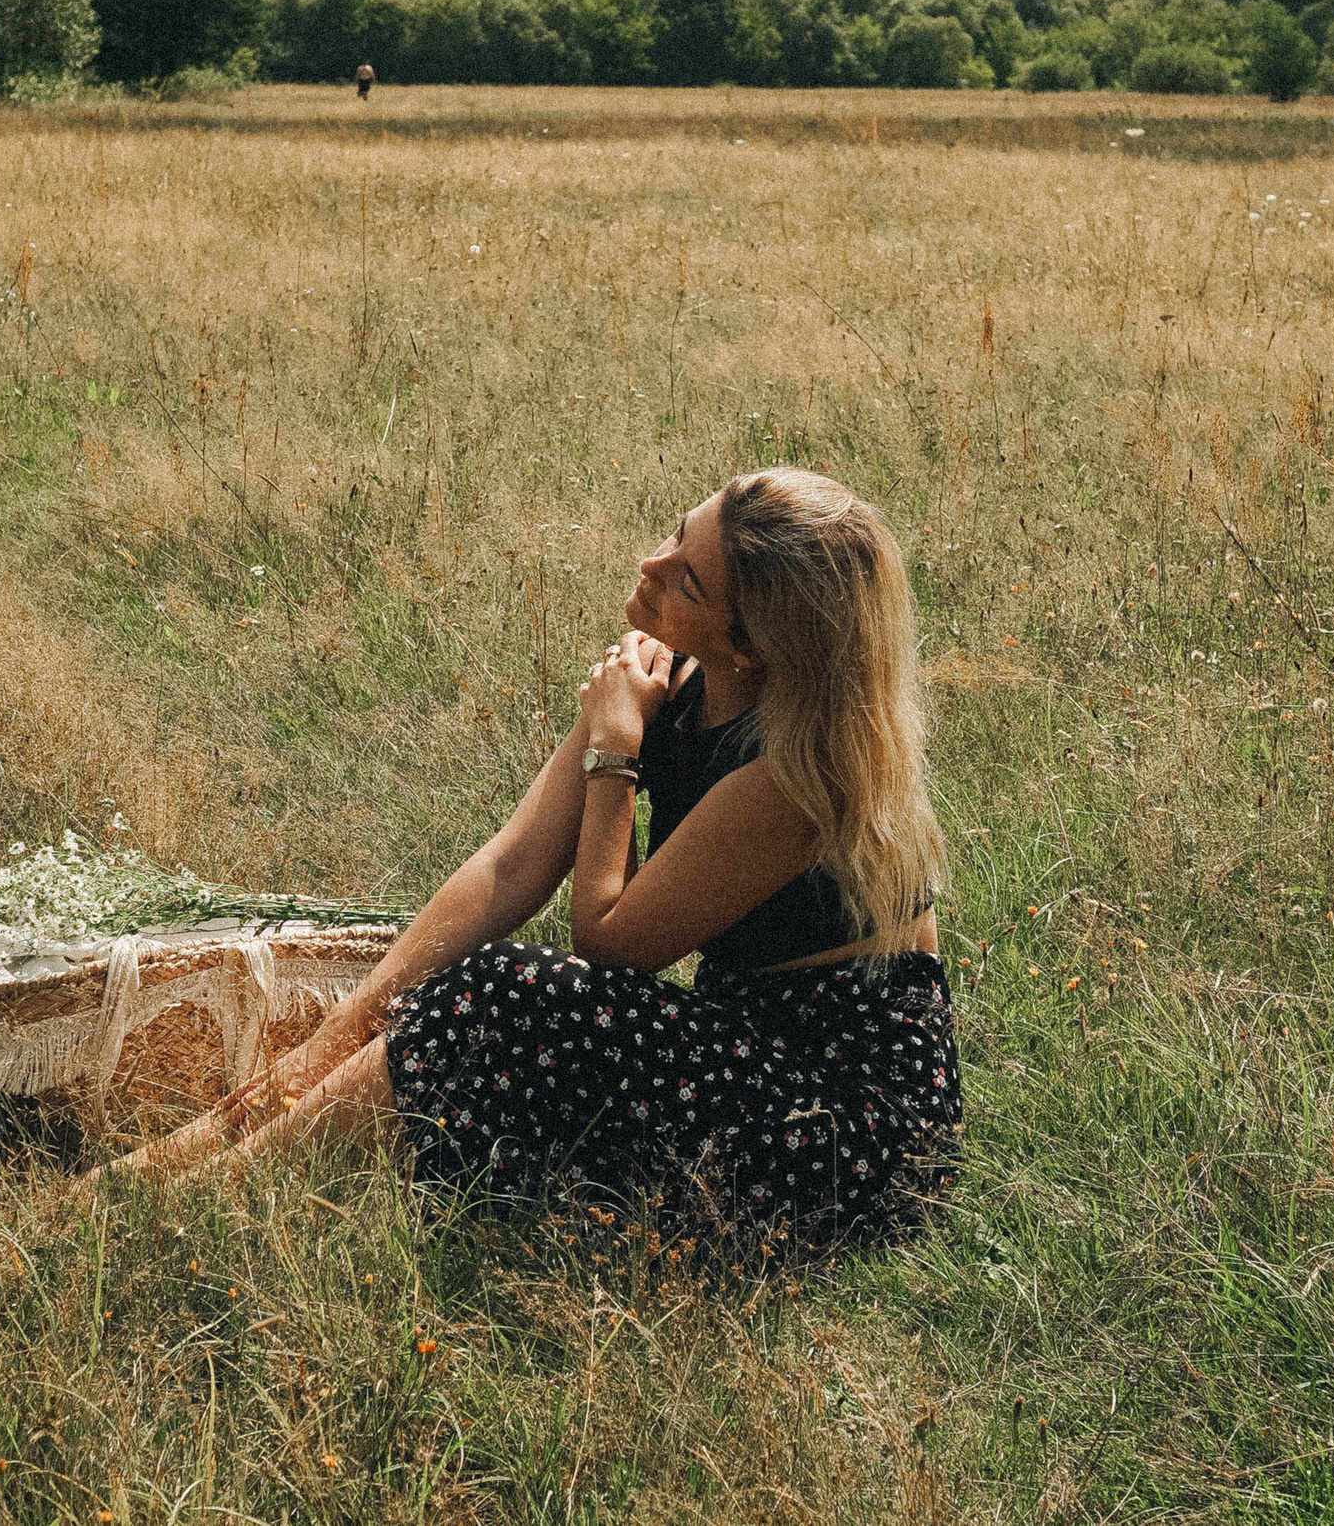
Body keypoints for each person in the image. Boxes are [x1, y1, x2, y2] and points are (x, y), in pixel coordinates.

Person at [93, 468, 959, 1253]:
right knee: (458, 990)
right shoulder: (672, 673)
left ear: (752, 647)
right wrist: (345, 1023)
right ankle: (165, 1173)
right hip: (740, 1053)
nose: (650, 566)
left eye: (686, 578)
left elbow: (609, 942)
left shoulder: (793, 777)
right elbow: (511, 866)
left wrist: (617, 750)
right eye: (674, 532)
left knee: (513, 996)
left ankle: (209, 1197)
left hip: (842, 1129)